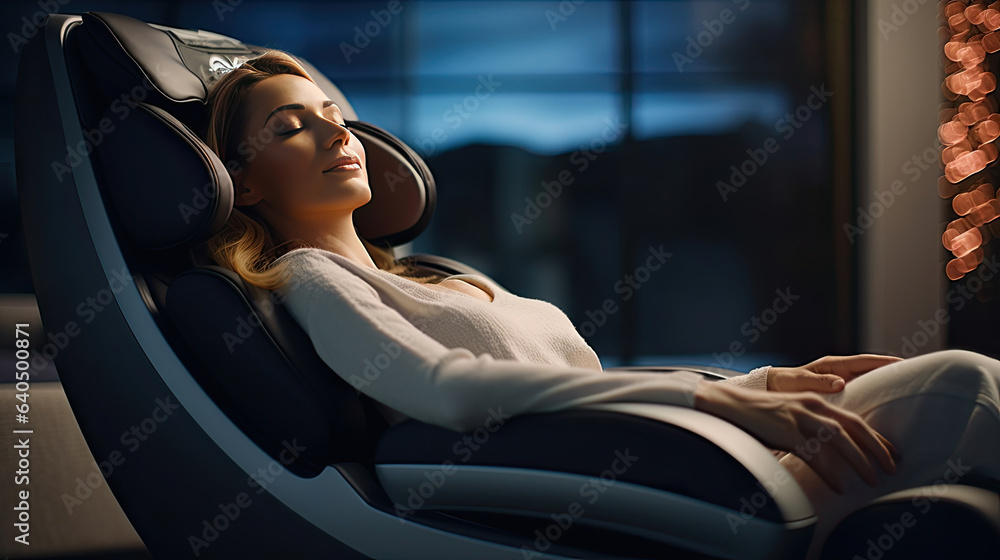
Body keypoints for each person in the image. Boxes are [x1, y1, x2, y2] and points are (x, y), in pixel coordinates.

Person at [200, 51, 1000, 558]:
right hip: (647, 482)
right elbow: (450, 391)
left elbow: (575, 372)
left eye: (337, 117)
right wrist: (712, 397)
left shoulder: (431, 275)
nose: (335, 134)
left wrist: (766, 384)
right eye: (290, 126)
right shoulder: (307, 277)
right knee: (962, 386)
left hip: (688, 444)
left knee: (963, 393)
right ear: (248, 180)